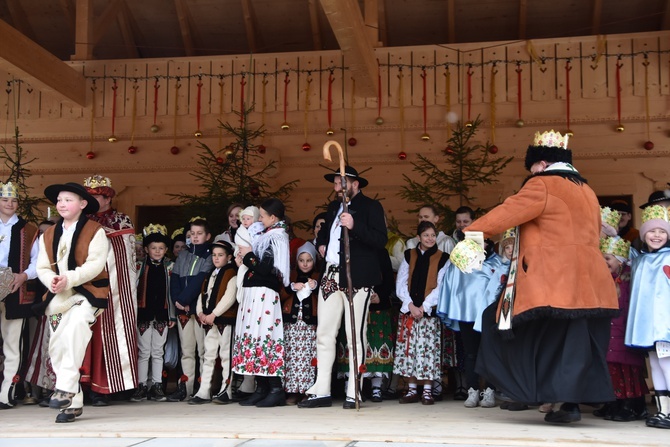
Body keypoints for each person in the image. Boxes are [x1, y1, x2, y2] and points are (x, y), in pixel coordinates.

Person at [461, 130, 618, 423]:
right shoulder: (587, 190)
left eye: (532, 168)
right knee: (573, 345)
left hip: (554, 282)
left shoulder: (543, 184)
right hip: (591, 285)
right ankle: (568, 405)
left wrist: (471, 232)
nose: (530, 173)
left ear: (542, 164)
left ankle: (522, 389)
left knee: (497, 324)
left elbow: (509, 212)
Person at [298, 166, 388, 409]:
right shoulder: (332, 208)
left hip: (356, 278)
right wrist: (323, 244)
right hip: (331, 276)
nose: (336, 188)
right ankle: (322, 390)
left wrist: (355, 225)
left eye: (340, 183)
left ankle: (354, 390)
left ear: (355, 184)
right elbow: (325, 233)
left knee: (354, 335)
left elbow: (380, 240)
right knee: (324, 333)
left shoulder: (371, 207)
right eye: (336, 184)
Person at [35, 182, 109, 423]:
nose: (62, 204)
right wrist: (52, 280)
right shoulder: (49, 234)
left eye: (68, 199)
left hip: (87, 293)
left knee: (75, 329)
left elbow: (95, 264)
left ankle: (65, 387)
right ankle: (73, 402)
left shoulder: (95, 230)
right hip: (59, 296)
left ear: (83, 204)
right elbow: (42, 267)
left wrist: (70, 278)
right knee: (56, 345)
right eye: (59, 200)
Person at [83, 174, 138, 406]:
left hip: (114, 290)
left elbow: (125, 257)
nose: (95, 200)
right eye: (91, 196)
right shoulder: (79, 220)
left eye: (99, 196)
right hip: (84, 287)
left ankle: (112, 387)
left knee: (113, 333)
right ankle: (84, 388)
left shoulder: (121, 220)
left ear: (108, 198)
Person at [232, 198, 291, 408]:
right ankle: (262, 386)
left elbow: (265, 268)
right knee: (254, 337)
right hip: (254, 293)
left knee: (264, 334)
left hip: (264, 295)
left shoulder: (277, 237)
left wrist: (247, 256)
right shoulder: (265, 235)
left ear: (273, 217)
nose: (259, 219)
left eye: (263, 216)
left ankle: (275, 388)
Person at [437, 226, 499, 409]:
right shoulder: (461, 262)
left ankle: (489, 391)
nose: (483, 244)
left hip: (489, 317)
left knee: (489, 353)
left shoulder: (498, 263)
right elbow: (451, 284)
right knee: (471, 354)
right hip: (467, 315)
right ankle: (472, 390)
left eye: (486, 240)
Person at [592, 235, 648, 421]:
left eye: (608, 258)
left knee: (627, 371)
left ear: (621, 260)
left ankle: (632, 404)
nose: (604, 262)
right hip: (609, 333)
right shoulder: (604, 280)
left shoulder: (628, 281)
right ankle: (614, 402)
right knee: (611, 370)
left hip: (624, 333)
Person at [394, 221, 449, 405]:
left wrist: (424, 307)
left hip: (427, 312)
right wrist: (410, 305)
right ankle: (411, 389)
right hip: (410, 311)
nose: (430, 238)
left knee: (427, 351)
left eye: (433, 235)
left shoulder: (443, 258)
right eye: (426, 235)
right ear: (418, 237)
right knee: (410, 351)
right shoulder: (409, 255)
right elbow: (401, 281)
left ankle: (427, 390)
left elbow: (441, 286)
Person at [625, 204, 670, 429]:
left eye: (662, 231)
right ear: (644, 234)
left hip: (665, 326)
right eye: (652, 231)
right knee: (655, 365)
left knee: (667, 364)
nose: (657, 235)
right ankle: (664, 411)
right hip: (649, 326)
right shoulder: (642, 260)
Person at [0, 182, 39, 410]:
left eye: (13, 200)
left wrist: (24, 276)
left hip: (16, 291)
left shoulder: (29, 229)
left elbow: (37, 262)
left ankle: (7, 392)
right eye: (5, 200)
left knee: (12, 344)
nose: (9, 204)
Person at [167, 217, 213, 401]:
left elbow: (199, 281)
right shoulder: (183, 255)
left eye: (199, 234)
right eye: (192, 234)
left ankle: (204, 388)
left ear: (207, 236)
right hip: (182, 310)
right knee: (187, 351)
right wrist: (178, 300)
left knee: (202, 351)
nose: (195, 237)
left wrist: (186, 299)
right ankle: (185, 387)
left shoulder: (209, 256)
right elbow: (175, 280)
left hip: (198, 309)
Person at [189, 239, 238, 405]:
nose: (216, 258)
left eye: (221, 255)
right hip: (209, 320)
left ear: (229, 257)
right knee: (208, 355)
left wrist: (214, 314)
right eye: (214, 255)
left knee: (226, 355)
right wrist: (201, 312)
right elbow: (203, 294)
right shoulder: (210, 273)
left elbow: (229, 297)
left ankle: (227, 389)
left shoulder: (231, 273)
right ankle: (204, 389)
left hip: (224, 320)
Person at [130, 224, 175, 403]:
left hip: (162, 315)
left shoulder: (170, 267)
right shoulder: (139, 266)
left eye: (161, 248)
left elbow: (172, 292)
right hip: (143, 314)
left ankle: (156, 385)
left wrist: (171, 315)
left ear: (166, 250)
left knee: (158, 351)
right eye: (154, 248)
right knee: (143, 351)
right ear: (146, 249)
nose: (157, 251)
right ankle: (141, 385)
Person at [281, 241, 319, 405]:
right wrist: (291, 287)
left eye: (308, 260)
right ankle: (292, 390)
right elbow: (281, 294)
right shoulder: (290, 276)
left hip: (309, 326)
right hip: (292, 325)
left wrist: (316, 286)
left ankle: (307, 390)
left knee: (307, 358)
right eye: (301, 260)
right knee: (291, 357)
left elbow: (325, 297)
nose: (305, 264)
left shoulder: (318, 276)